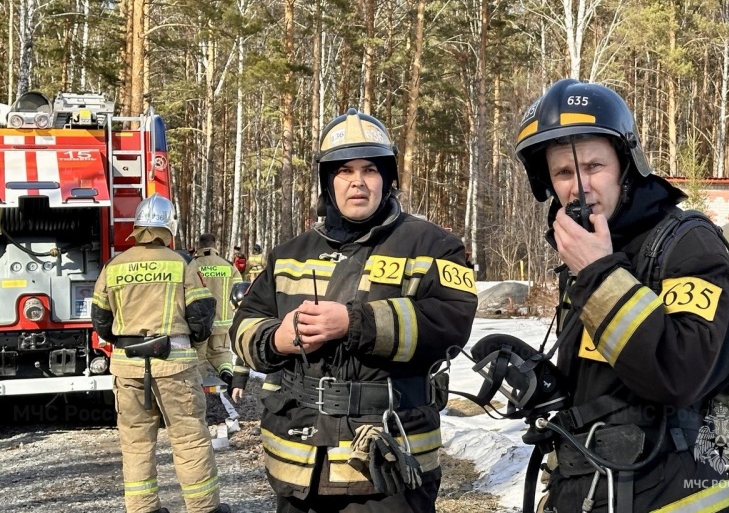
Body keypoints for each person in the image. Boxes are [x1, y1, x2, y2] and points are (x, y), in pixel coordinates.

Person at [514, 79, 729, 513]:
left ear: (626, 164)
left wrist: (599, 274)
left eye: (593, 167)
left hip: (671, 491)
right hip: (592, 485)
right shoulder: (593, 252)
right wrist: (544, 387)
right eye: (564, 172)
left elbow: (679, 374)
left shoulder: (686, 245)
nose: (579, 188)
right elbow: (610, 371)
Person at [230, 108, 478, 513]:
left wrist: (353, 323)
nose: (358, 182)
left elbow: (452, 322)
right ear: (328, 182)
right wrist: (277, 338)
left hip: (387, 468)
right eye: (344, 170)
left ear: (387, 178)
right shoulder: (290, 254)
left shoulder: (433, 245)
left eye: (370, 169)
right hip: (301, 467)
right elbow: (243, 328)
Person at [90, 194, 231, 513]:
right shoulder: (180, 263)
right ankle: (204, 508)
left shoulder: (114, 266)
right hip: (175, 370)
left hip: (128, 371)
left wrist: (125, 338)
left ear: (137, 229)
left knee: (136, 443)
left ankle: (143, 509)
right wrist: (197, 340)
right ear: (169, 229)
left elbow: (101, 320)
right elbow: (201, 314)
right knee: (189, 439)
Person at [193, 232, 243, 395]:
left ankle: (198, 391)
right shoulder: (228, 266)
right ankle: (227, 374)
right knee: (220, 353)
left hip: (199, 324)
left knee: (198, 358)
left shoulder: (192, 265)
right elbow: (239, 292)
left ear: (199, 245)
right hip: (223, 322)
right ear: (215, 245)